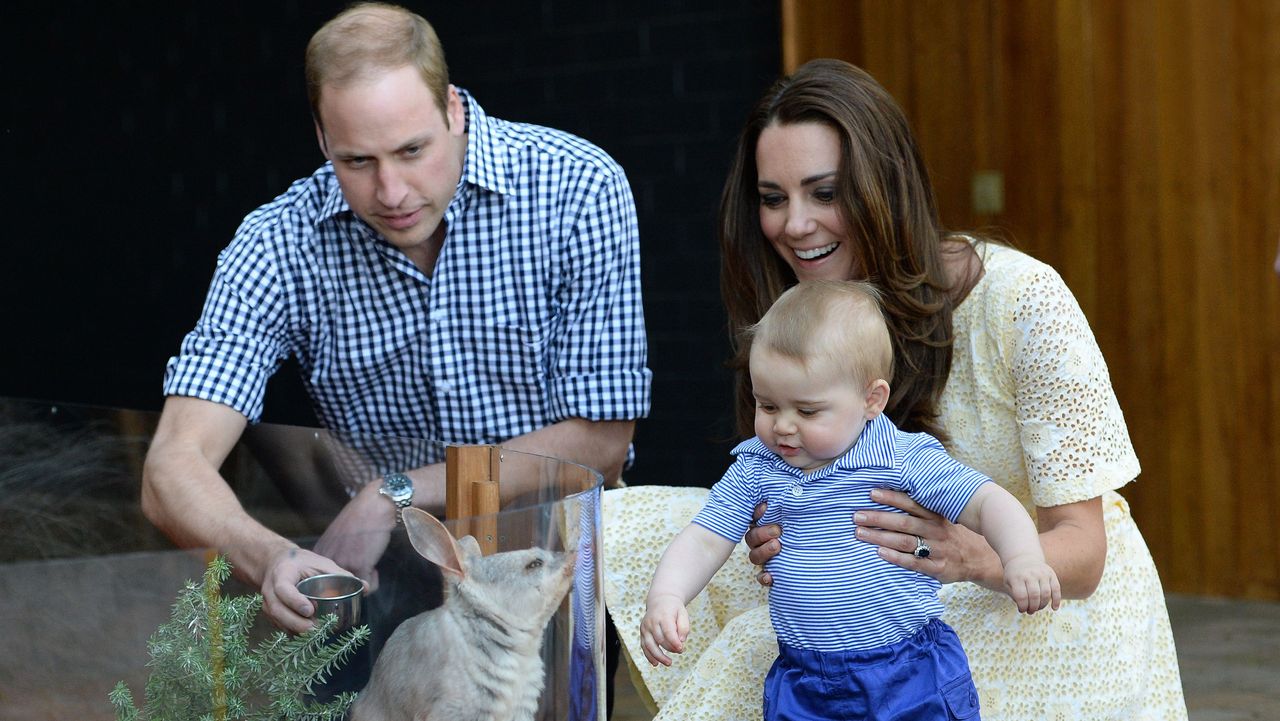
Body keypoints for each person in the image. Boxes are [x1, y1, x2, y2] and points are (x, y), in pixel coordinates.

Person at [602, 58, 1187, 720]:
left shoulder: (1022, 299)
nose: (795, 225)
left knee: (753, 660)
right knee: (635, 528)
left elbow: (1083, 552)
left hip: (1037, 598)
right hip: (876, 608)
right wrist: (774, 531)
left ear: (885, 187)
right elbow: (787, 479)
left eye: (825, 193)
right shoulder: (797, 317)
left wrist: (975, 556)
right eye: (773, 198)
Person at [141, 1, 649, 669]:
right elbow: (170, 468)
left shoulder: (577, 187)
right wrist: (267, 554)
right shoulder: (277, 243)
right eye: (357, 160)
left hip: (547, 573)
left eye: (413, 150)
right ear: (323, 141)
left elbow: (602, 439)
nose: (392, 190)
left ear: (454, 111)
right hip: (384, 597)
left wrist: (393, 493)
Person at [640, 280, 1059, 720]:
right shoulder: (757, 467)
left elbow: (987, 502)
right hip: (803, 677)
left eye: (806, 411)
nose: (782, 426)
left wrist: (1023, 558)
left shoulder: (901, 459)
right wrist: (667, 595)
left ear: (871, 399)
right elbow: (705, 538)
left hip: (908, 669)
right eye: (766, 405)